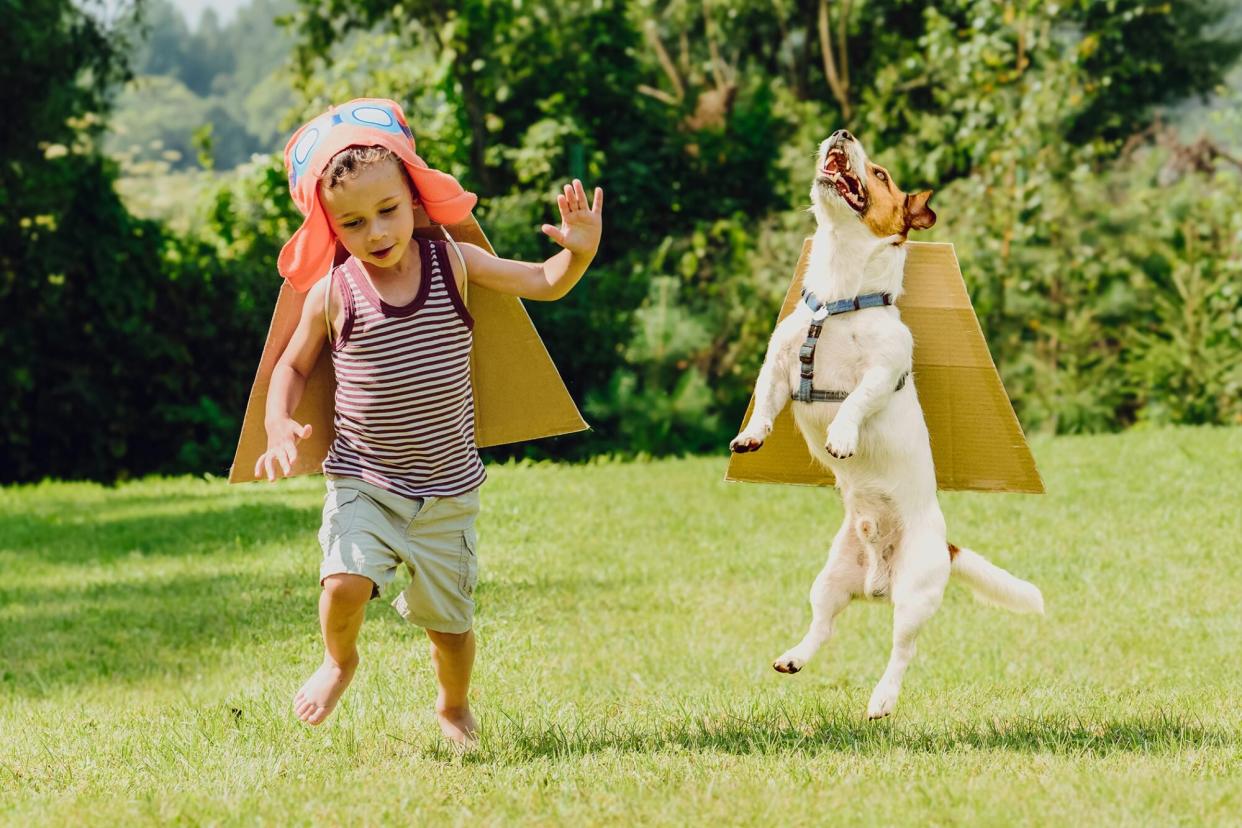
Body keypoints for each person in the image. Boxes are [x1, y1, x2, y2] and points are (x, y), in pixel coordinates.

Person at [255, 98, 603, 745]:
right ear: (332, 229)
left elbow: (544, 280)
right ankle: (339, 660)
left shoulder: (454, 264)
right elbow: (292, 367)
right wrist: (279, 425)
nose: (377, 231)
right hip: (365, 479)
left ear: (414, 200)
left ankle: (452, 704)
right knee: (344, 581)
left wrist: (577, 254)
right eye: (354, 223)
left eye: (388, 210)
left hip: (447, 491)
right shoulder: (335, 293)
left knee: (450, 627)